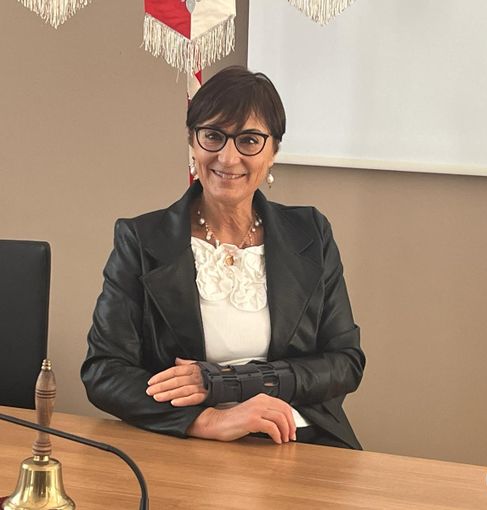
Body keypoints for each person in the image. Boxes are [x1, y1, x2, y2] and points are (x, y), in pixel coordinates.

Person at [81, 66, 365, 448]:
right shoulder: (140, 239)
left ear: (274, 152)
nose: (228, 158)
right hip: (187, 446)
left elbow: (345, 362)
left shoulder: (311, 232)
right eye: (213, 136)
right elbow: (104, 371)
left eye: (249, 140)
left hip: (300, 440)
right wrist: (206, 419)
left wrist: (226, 383)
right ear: (192, 143)